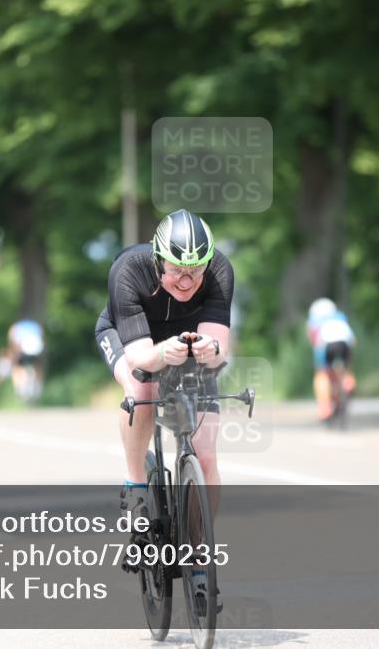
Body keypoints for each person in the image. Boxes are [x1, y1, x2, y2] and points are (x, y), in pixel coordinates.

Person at [94, 209, 232, 608]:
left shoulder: (220, 270)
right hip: (131, 338)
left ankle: (198, 553)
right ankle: (136, 485)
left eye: (196, 271)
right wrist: (160, 354)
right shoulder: (128, 270)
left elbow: (219, 346)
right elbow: (141, 359)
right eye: (176, 271)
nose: (187, 281)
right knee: (142, 388)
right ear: (158, 260)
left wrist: (210, 349)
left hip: (184, 341)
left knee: (206, 454)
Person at [307, 298, 357, 423]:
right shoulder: (341, 317)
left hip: (327, 345)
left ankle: (325, 408)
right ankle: (348, 382)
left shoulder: (315, 321)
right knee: (345, 368)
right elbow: (353, 340)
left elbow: (315, 342)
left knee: (322, 374)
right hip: (344, 344)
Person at [8, 318, 45, 400]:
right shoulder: (35, 326)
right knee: (38, 366)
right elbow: (41, 336)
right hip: (37, 348)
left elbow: (14, 341)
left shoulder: (16, 327)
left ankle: (20, 387)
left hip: (25, 349)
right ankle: (37, 384)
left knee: (16, 367)